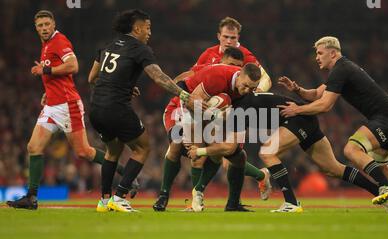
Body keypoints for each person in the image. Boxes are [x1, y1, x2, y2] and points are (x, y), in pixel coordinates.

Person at [6, 10, 133, 210]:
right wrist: (48, 91)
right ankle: (31, 197)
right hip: (52, 105)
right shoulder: (46, 44)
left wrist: (45, 71)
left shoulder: (59, 41)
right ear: (36, 28)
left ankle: (126, 174)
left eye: (47, 24)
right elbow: (57, 74)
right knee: (34, 147)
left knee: (83, 151)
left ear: (54, 24)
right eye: (40, 26)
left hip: (67, 105)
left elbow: (73, 66)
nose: (44, 28)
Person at [278, 36, 388, 212]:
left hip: (386, 117)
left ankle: (386, 187)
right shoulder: (341, 69)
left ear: (332, 53)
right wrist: (297, 89)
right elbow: (316, 94)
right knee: (381, 166)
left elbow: (325, 105)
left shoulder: (341, 69)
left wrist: (297, 110)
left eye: (320, 53)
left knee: (351, 149)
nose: (317, 57)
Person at [189, 91, 383, 212]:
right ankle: (380, 192)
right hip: (305, 118)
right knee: (333, 168)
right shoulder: (243, 102)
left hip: (296, 118)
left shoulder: (238, 111)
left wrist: (201, 151)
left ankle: (291, 202)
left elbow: (229, 148)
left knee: (267, 153)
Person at [87, 9, 190, 212]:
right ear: (137, 28)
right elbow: (158, 77)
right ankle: (120, 196)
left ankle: (104, 201)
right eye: (148, 27)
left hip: (96, 108)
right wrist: (183, 95)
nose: (149, 32)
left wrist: (119, 85)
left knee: (112, 151)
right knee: (142, 148)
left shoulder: (107, 45)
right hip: (116, 107)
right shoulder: (139, 48)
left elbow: (92, 78)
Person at [153, 47, 270, 212]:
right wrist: (207, 120)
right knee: (179, 145)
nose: (246, 91)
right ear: (239, 74)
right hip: (185, 106)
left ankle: (201, 195)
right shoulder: (215, 76)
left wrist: (216, 118)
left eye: (251, 88)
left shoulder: (244, 96)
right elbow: (188, 95)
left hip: (212, 111)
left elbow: (229, 144)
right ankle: (165, 195)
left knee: (226, 153)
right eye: (245, 86)